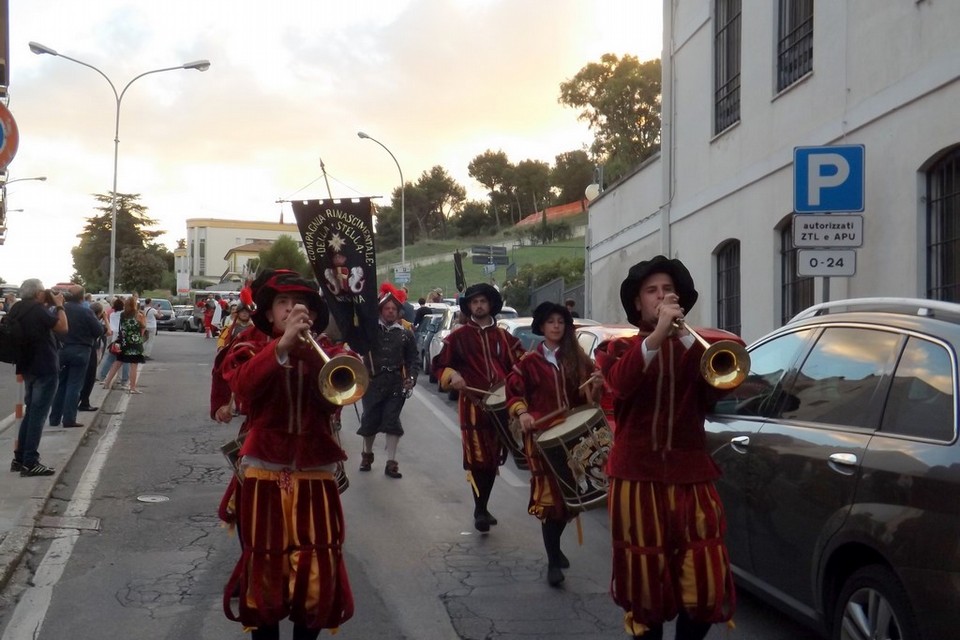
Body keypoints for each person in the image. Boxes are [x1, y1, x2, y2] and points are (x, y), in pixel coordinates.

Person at [595, 256, 739, 640]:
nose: (661, 297)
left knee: (706, 581)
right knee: (646, 585)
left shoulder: (699, 348)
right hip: (636, 477)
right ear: (639, 303)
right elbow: (621, 386)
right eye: (652, 291)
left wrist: (685, 338)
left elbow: (719, 391)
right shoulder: (614, 349)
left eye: (668, 291)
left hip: (692, 475)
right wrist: (656, 337)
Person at [219, 268, 355, 639]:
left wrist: (310, 353)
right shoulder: (248, 345)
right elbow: (244, 389)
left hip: (316, 471)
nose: (292, 310)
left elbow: (333, 403)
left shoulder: (330, 352)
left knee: (318, 567)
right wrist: (279, 348)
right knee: (265, 568)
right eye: (283, 303)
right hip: (263, 469)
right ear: (267, 312)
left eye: (301, 304)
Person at [505, 301, 602, 586]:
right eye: (551, 322)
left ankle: (555, 547)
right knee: (551, 502)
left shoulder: (578, 358)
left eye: (561, 321)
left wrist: (596, 384)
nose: (556, 326)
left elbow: (591, 398)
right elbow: (513, 393)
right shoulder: (528, 363)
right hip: (543, 440)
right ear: (542, 327)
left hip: (574, 439)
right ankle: (552, 563)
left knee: (571, 501)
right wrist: (522, 412)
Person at [432, 282, 525, 532]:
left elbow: (522, 365)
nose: (479, 305)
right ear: (469, 307)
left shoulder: (505, 338)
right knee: (477, 459)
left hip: (502, 406)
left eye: (483, 301)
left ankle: (483, 504)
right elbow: (439, 366)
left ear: (491, 305)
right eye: (474, 302)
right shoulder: (458, 337)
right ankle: (480, 509)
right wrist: (452, 376)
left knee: (493, 459)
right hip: (473, 405)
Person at [356, 283, 419, 479]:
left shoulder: (406, 334)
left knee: (392, 421)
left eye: (394, 309)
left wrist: (411, 378)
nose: (390, 311)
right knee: (369, 419)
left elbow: (413, 360)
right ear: (381, 310)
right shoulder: (370, 331)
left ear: (399, 312)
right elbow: (356, 345)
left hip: (395, 383)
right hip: (372, 382)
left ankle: (391, 462)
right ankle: (367, 454)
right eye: (387, 308)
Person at [9, 279, 68, 477]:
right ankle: (31, 462)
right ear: (38, 293)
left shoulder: (17, 308)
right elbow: (62, 327)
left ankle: (20, 458)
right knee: (38, 415)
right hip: (44, 367)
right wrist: (59, 305)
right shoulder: (37, 309)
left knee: (31, 412)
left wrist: (48, 305)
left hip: (26, 366)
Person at [49, 285, 104, 429]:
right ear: (82, 296)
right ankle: (69, 419)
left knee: (61, 384)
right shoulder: (86, 311)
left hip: (62, 348)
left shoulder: (60, 310)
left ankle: (54, 418)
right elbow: (98, 330)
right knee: (74, 385)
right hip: (81, 349)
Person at [103, 295, 146, 394]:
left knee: (118, 362)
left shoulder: (123, 314)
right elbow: (143, 328)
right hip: (135, 342)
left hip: (124, 341)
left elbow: (120, 328)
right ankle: (132, 387)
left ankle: (106, 383)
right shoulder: (139, 315)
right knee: (134, 365)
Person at [78, 301, 107, 412]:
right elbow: (107, 331)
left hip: (79, 348)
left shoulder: (83, 318)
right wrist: (105, 318)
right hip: (89, 349)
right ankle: (84, 402)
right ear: (99, 313)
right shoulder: (94, 321)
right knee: (89, 377)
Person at [98, 297, 129, 387]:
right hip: (120, 337)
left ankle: (102, 375)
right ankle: (124, 379)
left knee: (110, 357)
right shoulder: (124, 314)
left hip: (112, 335)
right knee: (125, 359)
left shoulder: (112, 314)